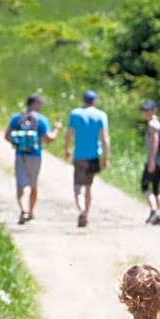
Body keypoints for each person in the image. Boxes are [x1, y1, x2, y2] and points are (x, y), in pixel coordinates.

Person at [4, 93, 62, 224]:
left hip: (20, 155)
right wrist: (57, 129)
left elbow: (7, 136)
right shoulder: (41, 120)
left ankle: (23, 209)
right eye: (39, 103)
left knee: (20, 184)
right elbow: (49, 139)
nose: (41, 105)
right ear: (34, 104)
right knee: (33, 185)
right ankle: (30, 211)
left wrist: (18, 144)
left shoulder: (17, 118)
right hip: (35, 155)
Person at [63, 89, 110, 228]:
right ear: (94, 101)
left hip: (79, 155)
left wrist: (66, 149)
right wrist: (106, 157)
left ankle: (81, 209)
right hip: (94, 155)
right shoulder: (101, 115)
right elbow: (104, 138)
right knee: (89, 187)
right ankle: (87, 212)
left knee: (78, 187)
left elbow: (69, 134)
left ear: (83, 100)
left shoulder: (75, 114)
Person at [140, 98, 160, 225]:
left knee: (145, 185)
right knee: (157, 188)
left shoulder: (152, 124)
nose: (145, 112)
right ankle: (159, 214)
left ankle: (154, 210)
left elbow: (155, 142)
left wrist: (151, 160)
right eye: (144, 109)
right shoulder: (159, 123)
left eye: (147, 110)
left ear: (154, 110)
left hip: (154, 160)